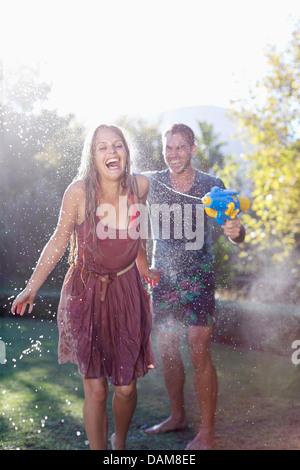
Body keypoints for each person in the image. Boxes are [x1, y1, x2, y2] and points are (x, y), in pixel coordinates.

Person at [11, 124, 160, 450]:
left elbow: (139, 230)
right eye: (102, 147)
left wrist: (144, 265)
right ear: (92, 157)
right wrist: (31, 287)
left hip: (126, 291)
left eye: (117, 145)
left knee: (125, 389)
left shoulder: (140, 187)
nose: (111, 152)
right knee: (95, 389)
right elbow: (58, 240)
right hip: (86, 291)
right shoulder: (78, 193)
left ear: (126, 152)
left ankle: (118, 441)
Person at [144, 123, 245, 450]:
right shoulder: (153, 182)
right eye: (168, 148)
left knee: (199, 350)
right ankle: (177, 417)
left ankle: (208, 433)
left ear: (193, 149)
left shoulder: (211, 185)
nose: (174, 154)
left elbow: (234, 230)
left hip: (199, 278)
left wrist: (234, 229)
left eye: (180, 147)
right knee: (168, 350)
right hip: (163, 280)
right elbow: (115, 182)